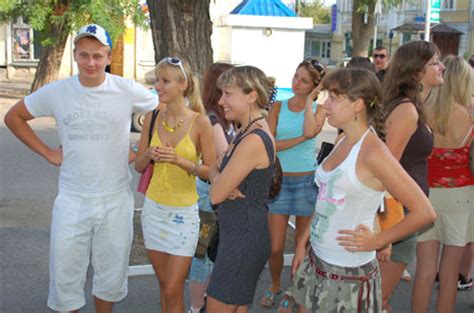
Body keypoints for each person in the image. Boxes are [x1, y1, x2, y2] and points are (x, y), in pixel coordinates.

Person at [4, 24, 158, 313]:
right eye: (84, 55)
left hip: (115, 199)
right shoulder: (57, 91)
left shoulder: (125, 89)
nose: (91, 63)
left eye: (97, 56)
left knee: (111, 276)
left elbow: (162, 107)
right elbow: (14, 117)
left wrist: (139, 150)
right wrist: (48, 152)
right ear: (74, 55)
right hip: (73, 199)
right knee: (65, 279)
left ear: (108, 56)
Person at [280, 68, 436, 313]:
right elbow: (327, 197)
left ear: (358, 105)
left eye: (334, 98)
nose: (326, 104)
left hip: (347, 275)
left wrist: (379, 240)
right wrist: (303, 241)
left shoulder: (374, 152)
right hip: (318, 261)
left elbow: (424, 212)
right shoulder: (344, 138)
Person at [134, 57, 215, 313]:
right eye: (157, 80)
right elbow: (138, 165)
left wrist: (181, 161)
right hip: (154, 211)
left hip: (183, 214)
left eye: (165, 81)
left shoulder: (200, 122)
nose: (158, 86)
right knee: (165, 287)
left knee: (172, 287)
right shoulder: (151, 118)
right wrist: (149, 155)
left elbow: (212, 172)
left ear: (183, 84)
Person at [379, 40, 445, 312]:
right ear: (417, 71)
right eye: (435, 63)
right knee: (377, 299)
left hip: (402, 213)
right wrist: (386, 232)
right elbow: (386, 168)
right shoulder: (406, 110)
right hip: (398, 213)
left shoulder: (412, 106)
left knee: (379, 299)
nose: (442, 67)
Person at [206, 65, 276, 313]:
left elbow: (215, 194)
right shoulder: (245, 130)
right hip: (242, 234)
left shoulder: (253, 139)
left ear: (251, 96)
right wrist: (221, 177)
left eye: (228, 94)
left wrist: (221, 178)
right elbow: (214, 171)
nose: (221, 101)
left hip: (242, 239)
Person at [262, 58, 326, 309]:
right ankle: (275, 284)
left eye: (304, 80)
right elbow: (270, 144)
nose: (296, 82)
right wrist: (301, 138)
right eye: (296, 76)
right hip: (279, 182)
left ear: (314, 87)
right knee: (276, 246)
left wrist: (309, 102)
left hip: (306, 181)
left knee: (303, 245)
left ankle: (294, 291)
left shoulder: (318, 109)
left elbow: (312, 131)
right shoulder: (278, 106)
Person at [412, 55, 473, 313]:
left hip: (425, 193)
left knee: (424, 271)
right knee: (449, 274)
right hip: (461, 195)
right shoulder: (468, 115)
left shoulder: (421, 111)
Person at [187, 62, 235, 313]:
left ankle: (202, 301)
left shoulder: (224, 119)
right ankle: (196, 307)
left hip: (216, 194)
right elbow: (225, 157)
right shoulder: (213, 120)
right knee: (202, 254)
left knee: (210, 253)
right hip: (208, 196)